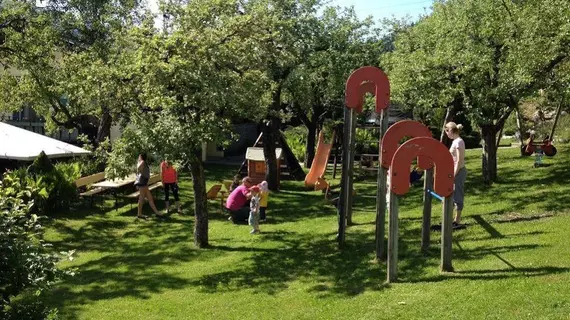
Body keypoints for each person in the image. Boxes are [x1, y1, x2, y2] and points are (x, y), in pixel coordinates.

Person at [445, 122, 467, 227]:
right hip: (454, 172)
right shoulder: (455, 141)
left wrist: (454, 174)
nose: (446, 133)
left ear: (451, 131)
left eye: (447, 131)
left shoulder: (458, 142)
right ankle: (451, 219)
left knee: (458, 196)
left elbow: (459, 160)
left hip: (459, 172)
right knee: (452, 196)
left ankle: (457, 221)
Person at [135, 153, 163, 219]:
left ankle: (156, 212)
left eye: (139, 156)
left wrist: (138, 166)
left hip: (143, 182)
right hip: (142, 182)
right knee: (142, 198)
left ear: (141, 157)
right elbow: (138, 168)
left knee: (150, 198)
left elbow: (139, 168)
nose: (138, 157)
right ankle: (139, 214)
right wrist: (139, 168)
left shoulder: (142, 161)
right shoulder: (142, 162)